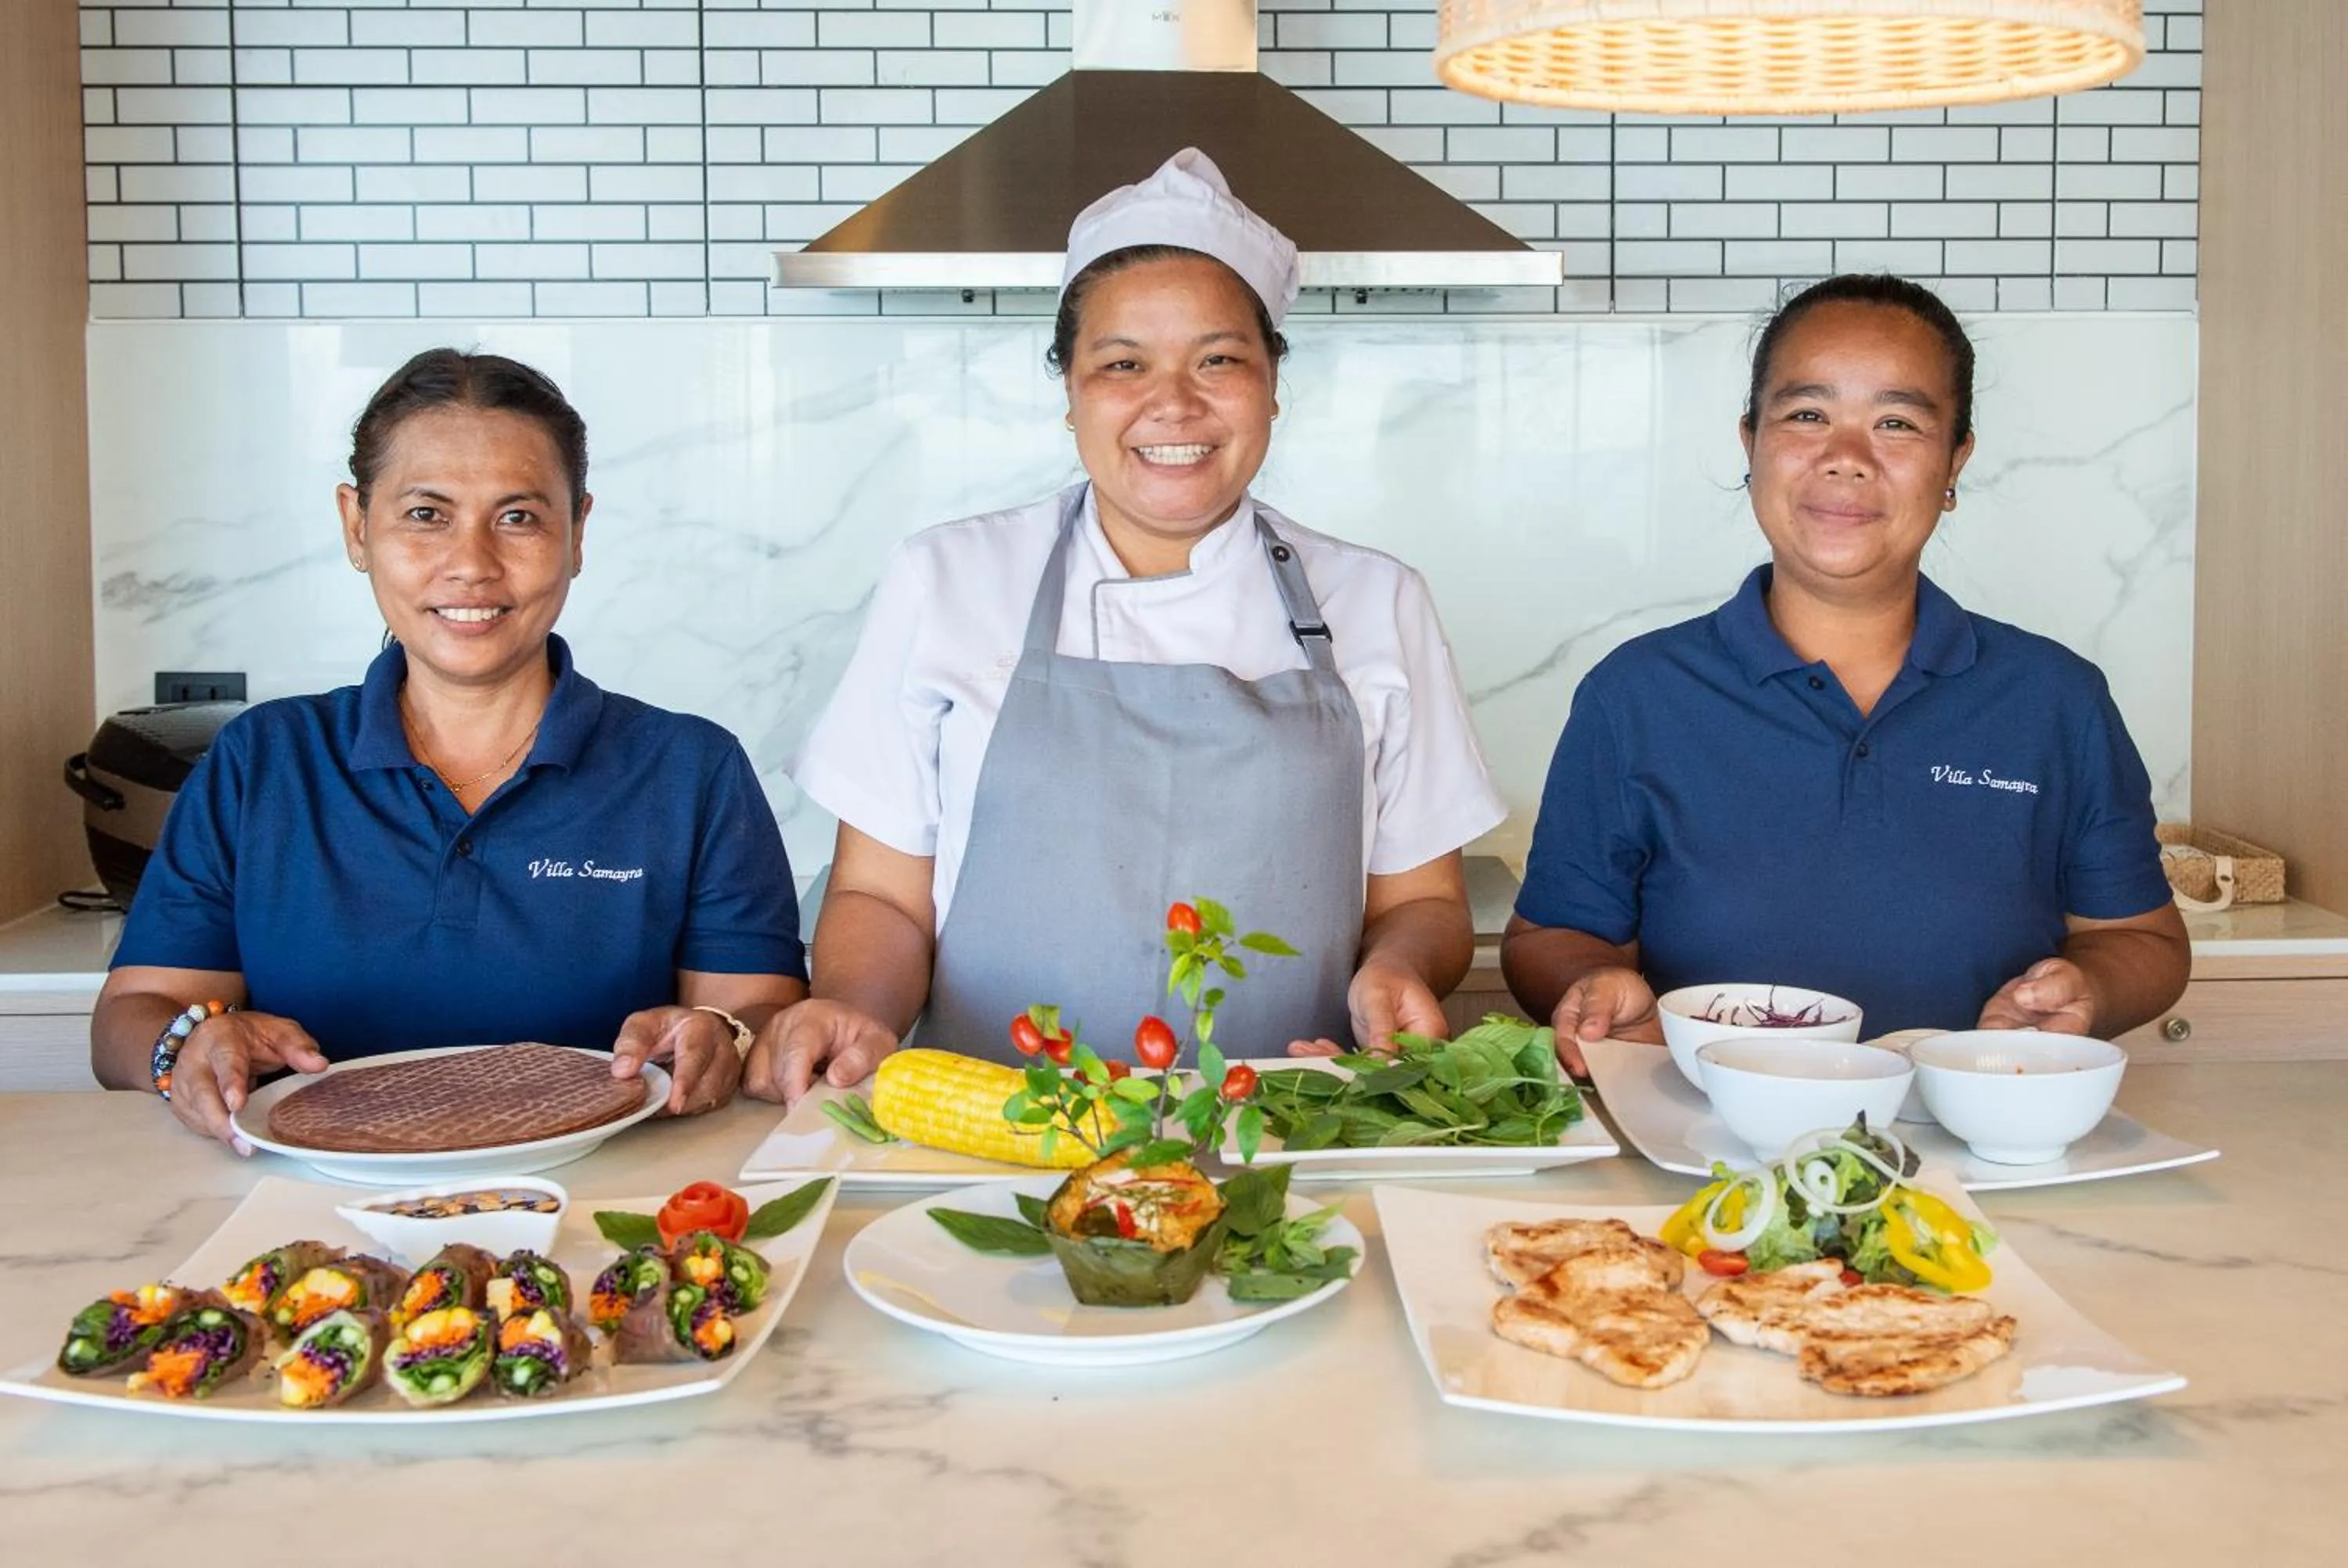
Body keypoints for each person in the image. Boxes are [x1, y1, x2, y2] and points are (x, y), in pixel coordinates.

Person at [745, 149, 1505, 1102]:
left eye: (1219, 359)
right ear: (1070, 392)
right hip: (991, 1138)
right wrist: (856, 1004)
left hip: (1290, 1134)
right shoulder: (948, 579)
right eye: (1123, 363)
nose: (1173, 404)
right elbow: (880, 895)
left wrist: (1399, 966)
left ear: (1275, 384)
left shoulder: (1378, 598)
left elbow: (1423, 901)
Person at [92, 349, 808, 1148]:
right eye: (426, 515)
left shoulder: (689, 770)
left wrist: (724, 1036)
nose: (471, 564)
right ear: (356, 527)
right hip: (298, 1218)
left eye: (519, 517)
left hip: (606, 1214)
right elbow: (132, 1013)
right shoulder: (263, 761)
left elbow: (755, 1013)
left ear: (577, 534)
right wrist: (184, 1048)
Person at [1503, 274, 2189, 1072]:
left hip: (1980, 1149)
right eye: (1807, 415)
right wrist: (1595, 984)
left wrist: (2090, 990)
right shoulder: (1636, 696)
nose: (1848, 458)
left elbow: (2141, 940)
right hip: (1702, 1147)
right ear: (1750, 441)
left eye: (1897, 423)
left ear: (1955, 460)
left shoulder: (2055, 699)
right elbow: (1548, 937)